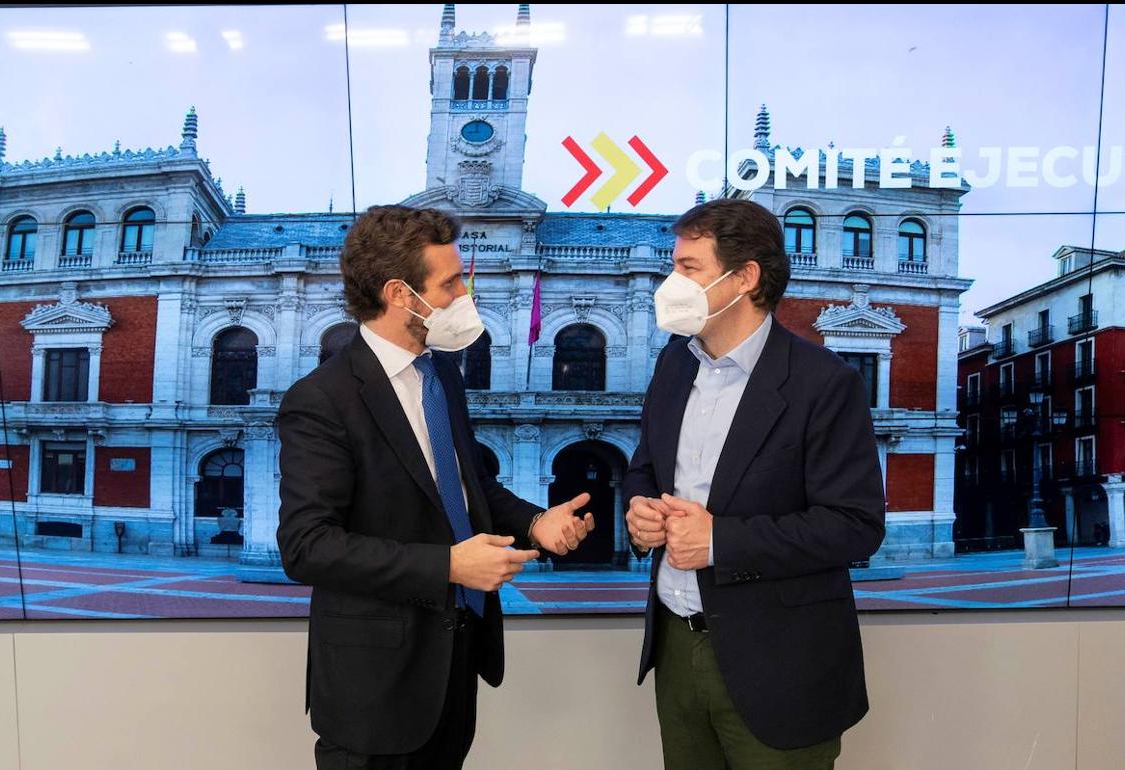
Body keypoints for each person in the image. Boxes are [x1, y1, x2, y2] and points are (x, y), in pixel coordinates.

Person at [276, 205, 595, 769]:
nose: (462, 298)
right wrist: (448, 566)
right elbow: (308, 547)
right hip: (374, 689)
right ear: (401, 293)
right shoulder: (322, 400)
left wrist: (535, 522)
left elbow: (473, 485)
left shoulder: (442, 372)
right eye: (450, 283)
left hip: (454, 663)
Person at [624, 198, 886, 769]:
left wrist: (719, 542)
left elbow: (855, 527)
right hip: (674, 648)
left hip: (781, 668)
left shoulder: (825, 384)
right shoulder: (674, 363)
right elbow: (644, 466)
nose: (671, 282)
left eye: (688, 269)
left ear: (745, 278)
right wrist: (639, 508)